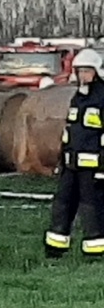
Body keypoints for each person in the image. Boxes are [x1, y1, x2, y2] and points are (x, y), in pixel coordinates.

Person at [45, 47, 104, 258]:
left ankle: (95, 250)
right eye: (80, 71)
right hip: (71, 165)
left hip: (93, 167)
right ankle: (55, 248)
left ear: (97, 72)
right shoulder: (78, 98)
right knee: (62, 203)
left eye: (87, 71)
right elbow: (70, 132)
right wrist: (61, 160)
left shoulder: (102, 97)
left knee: (92, 207)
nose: (83, 76)